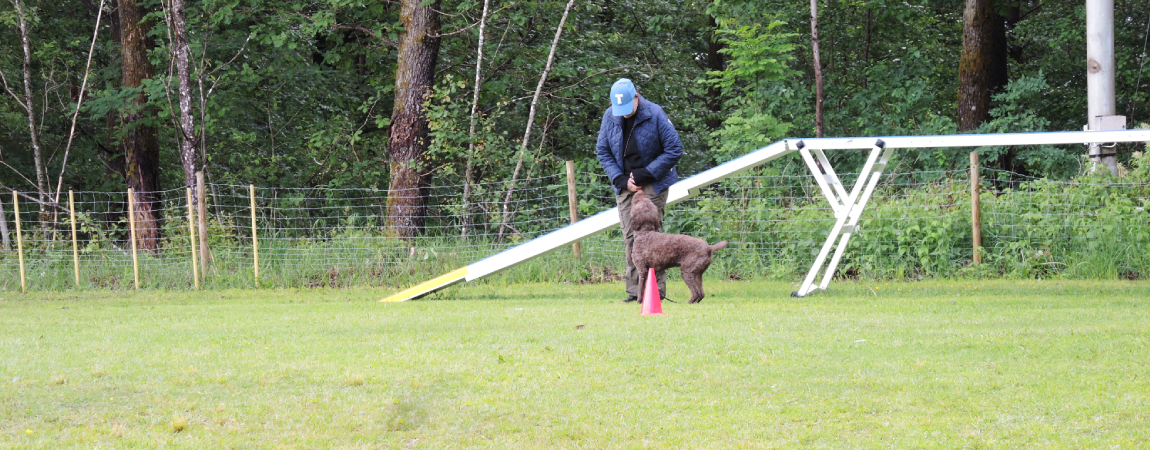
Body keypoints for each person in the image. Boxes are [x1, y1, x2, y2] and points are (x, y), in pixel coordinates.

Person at [595, 78, 683, 303]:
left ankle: (656, 294)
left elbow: (674, 149)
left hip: (653, 181)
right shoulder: (610, 115)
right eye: (619, 109)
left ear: (636, 97)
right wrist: (621, 179)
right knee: (630, 237)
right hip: (625, 184)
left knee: (653, 238)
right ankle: (635, 293)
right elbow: (603, 151)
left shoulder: (655, 113)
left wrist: (647, 173)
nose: (624, 114)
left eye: (627, 108)